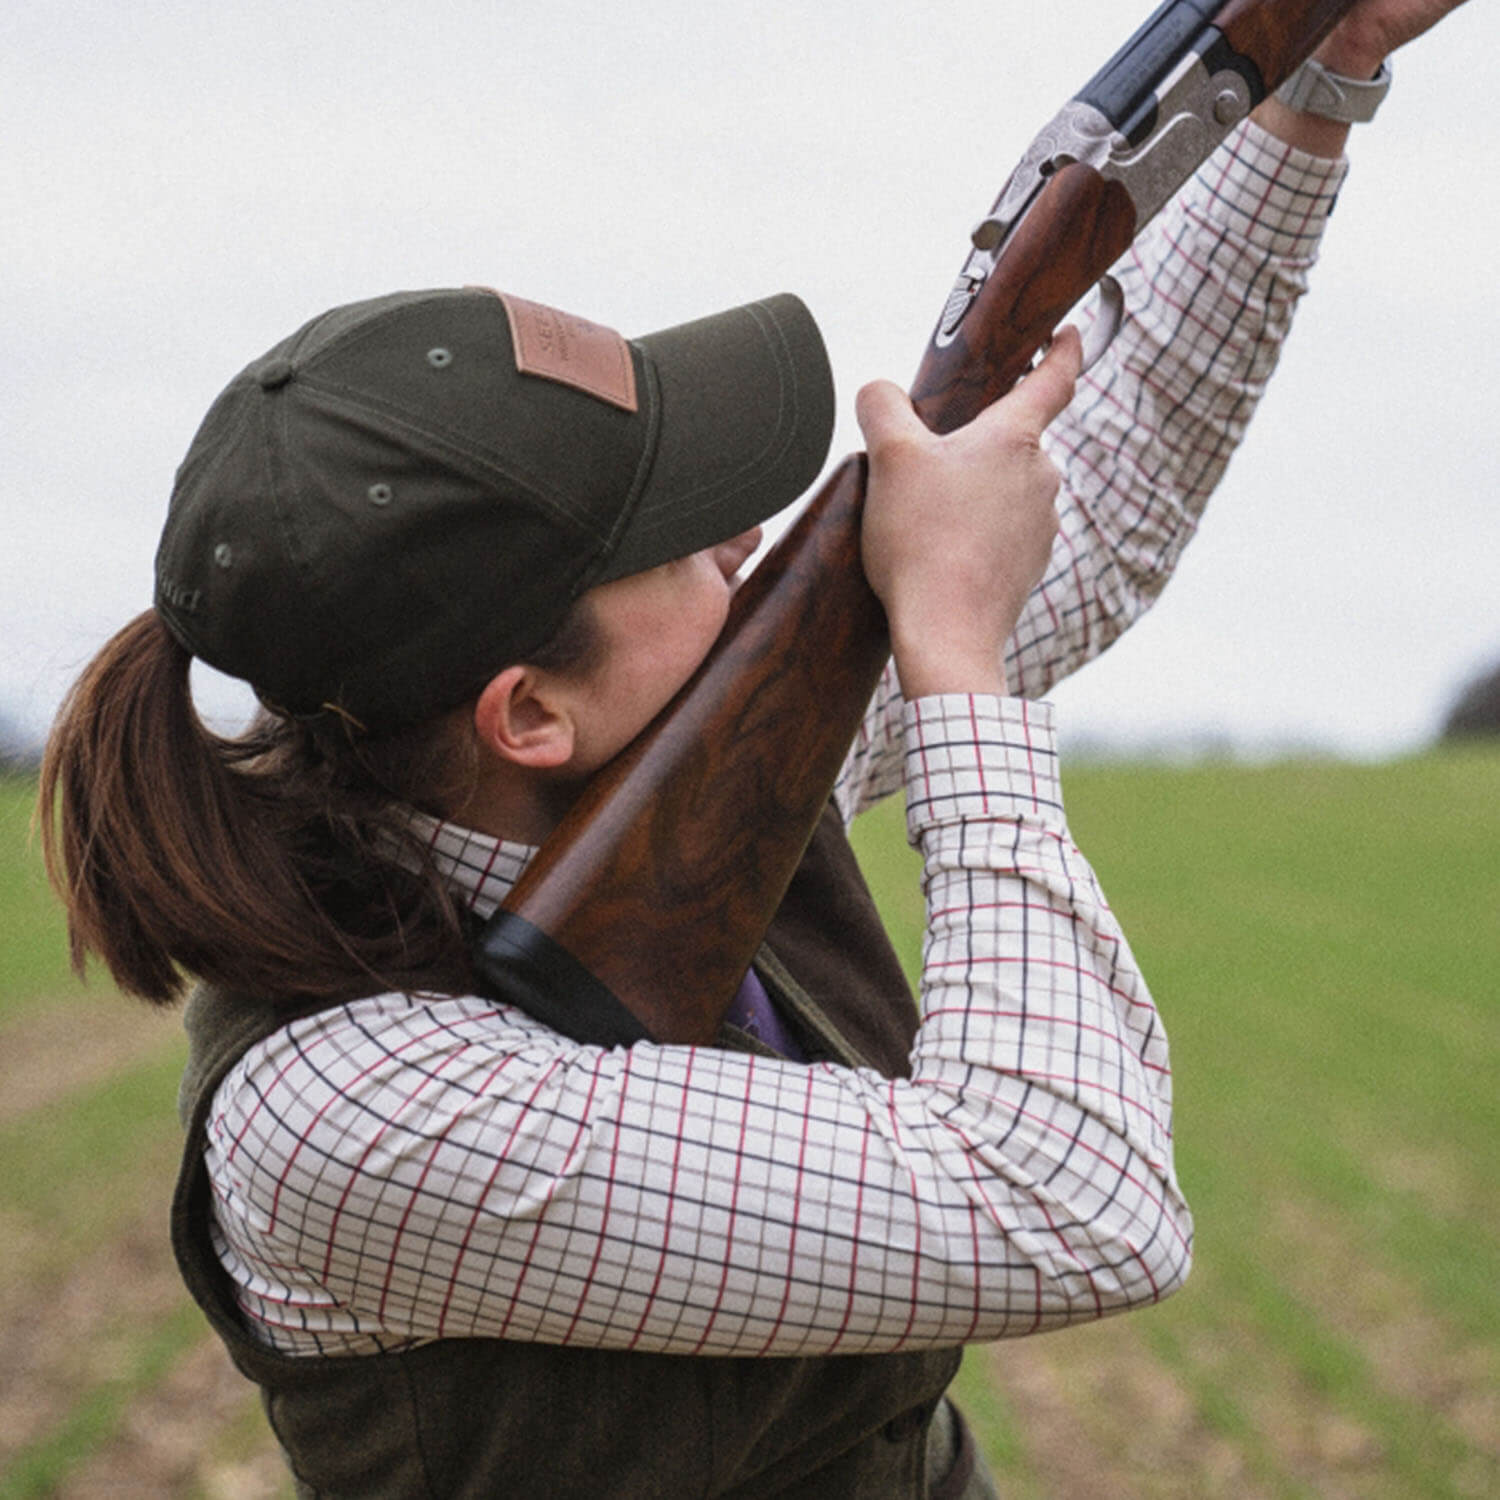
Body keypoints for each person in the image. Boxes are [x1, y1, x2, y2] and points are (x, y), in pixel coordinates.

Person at [39, 2, 1465, 1494]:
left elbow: (1093, 497)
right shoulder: (346, 1112)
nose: (746, 535)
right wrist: (958, 666)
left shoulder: (679, 766)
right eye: (678, 535)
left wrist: (1323, 69)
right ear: (529, 711)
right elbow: (1076, 1204)